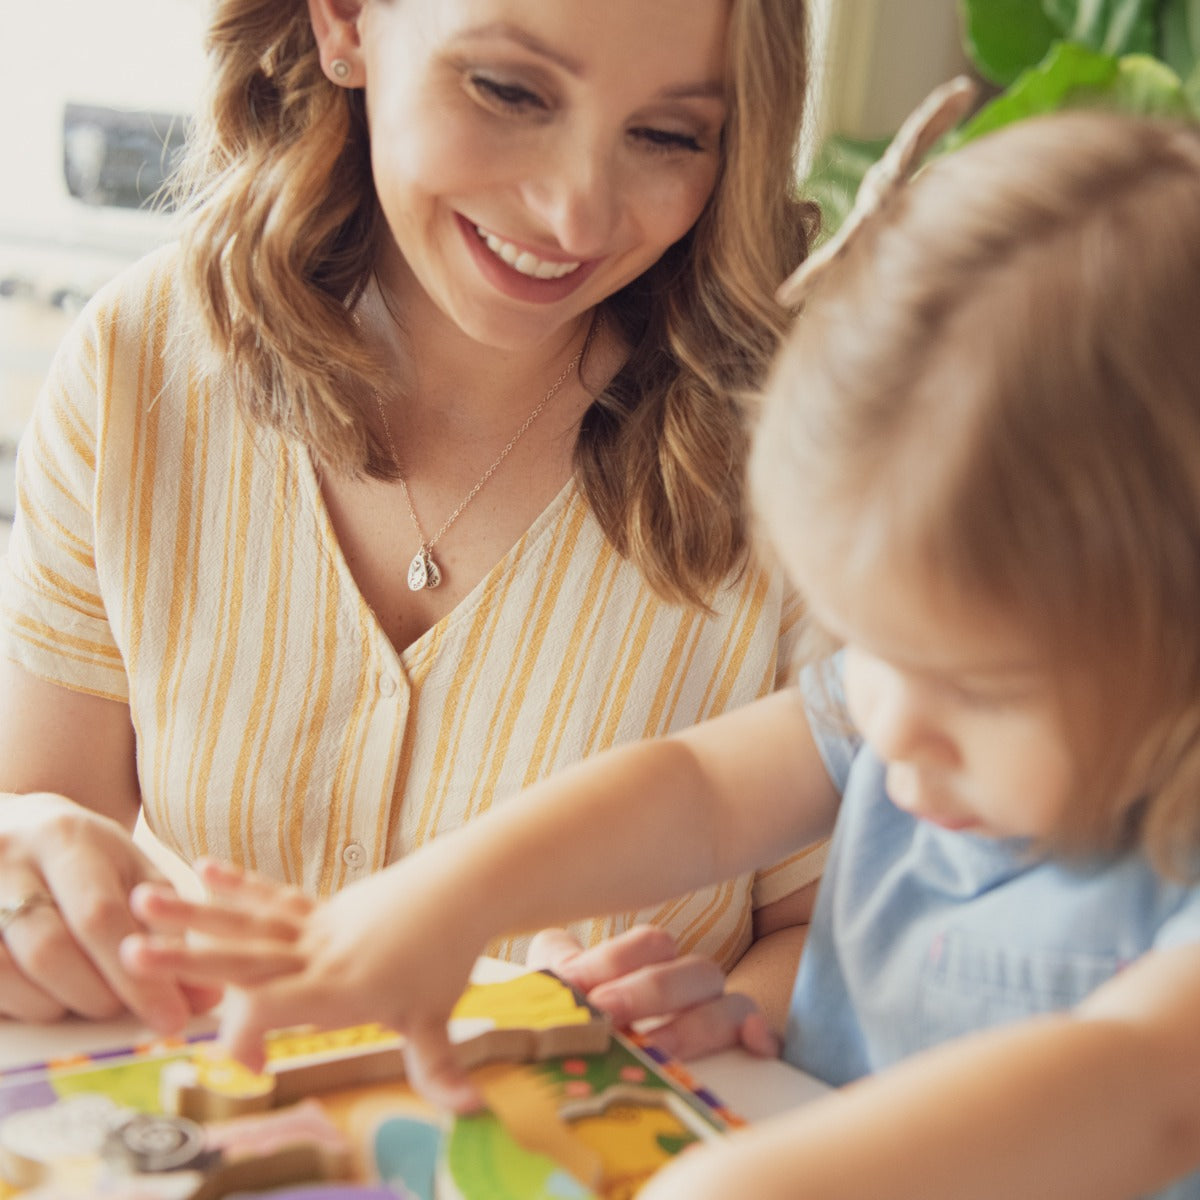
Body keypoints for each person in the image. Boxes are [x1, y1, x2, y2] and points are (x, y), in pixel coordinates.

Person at [123, 93, 1200, 1199]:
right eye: (876, 652)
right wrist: (435, 906)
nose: (892, 727)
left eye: (982, 691)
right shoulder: (912, 720)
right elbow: (699, 789)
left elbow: (1147, 1085)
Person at [0, 0, 826, 1039]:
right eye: (510, 91)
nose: (576, 213)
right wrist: (27, 868)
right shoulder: (137, 362)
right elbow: (45, 817)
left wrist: (688, 1030)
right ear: (344, 21)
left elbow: (831, 943)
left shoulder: (808, 468)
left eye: (666, 136)